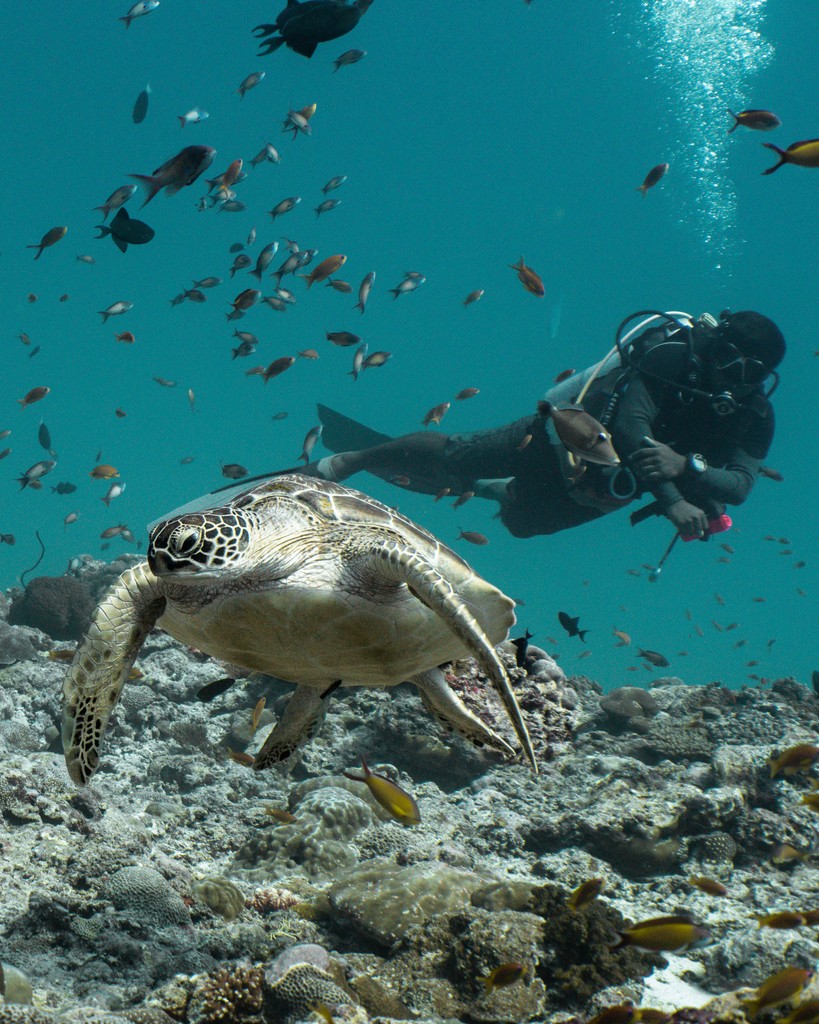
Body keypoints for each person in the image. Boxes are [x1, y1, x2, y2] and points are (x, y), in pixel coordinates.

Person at [293, 309, 786, 539]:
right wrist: (675, 500)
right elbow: (634, 428)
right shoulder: (670, 358)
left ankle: (495, 490)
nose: (735, 378)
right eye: (730, 360)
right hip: (564, 432)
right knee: (454, 457)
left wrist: (687, 468)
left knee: (522, 525)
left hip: (613, 483)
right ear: (714, 345)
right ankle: (348, 462)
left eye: (753, 373)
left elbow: (740, 487)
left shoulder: (754, 415)